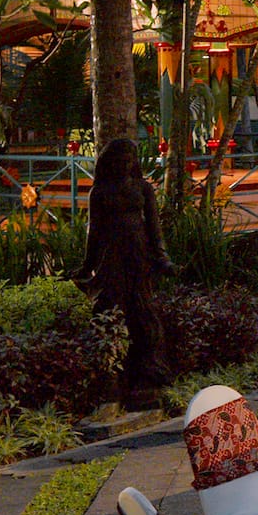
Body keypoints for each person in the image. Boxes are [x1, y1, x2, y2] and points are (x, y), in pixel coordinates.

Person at [80, 138, 171, 403]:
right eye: (119, 161)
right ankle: (111, 374)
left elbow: (154, 228)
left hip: (138, 255)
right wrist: (87, 265)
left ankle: (150, 372)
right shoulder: (99, 192)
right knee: (110, 310)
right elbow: (94, 232)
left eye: (129, 161)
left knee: (143, 310)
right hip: (111, 258)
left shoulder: (143, 188)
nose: (124, 165)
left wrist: (162, 258)